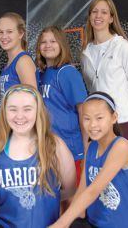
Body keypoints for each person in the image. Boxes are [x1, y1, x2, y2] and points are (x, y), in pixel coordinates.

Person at [0, 84, 76, 228]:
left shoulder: (54, 145)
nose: (20, 116)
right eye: (13, 109)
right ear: (4, 112)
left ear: (38, 111)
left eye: (27, 109)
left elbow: (69, 192)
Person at [49, 92, 128, 228]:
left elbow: (93, 191)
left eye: (99, 118)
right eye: (87, 119)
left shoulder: (121, 146)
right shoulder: (91, 146)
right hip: (95, 223)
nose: (92, 125)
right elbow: (83, 189)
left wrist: (61, 224)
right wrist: (67, 221)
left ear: (114, 117)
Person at [81, 0, 128, 153]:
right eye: (94, 12)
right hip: (99, 127)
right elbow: (93, 89)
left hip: (124, 124)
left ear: (111, 18)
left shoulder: (122, 47)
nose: (98, 16)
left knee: (122, 176)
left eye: (104, 12)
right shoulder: (85, 53)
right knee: (101, 175)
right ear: (89, 17)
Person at [36, 26, 88, 184]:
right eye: (43, 42)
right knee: (54, 201)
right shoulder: (40, 74)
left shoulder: (67, 72)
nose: (48, 45)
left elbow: (83, 111)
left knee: (72, 198)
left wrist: (86, 148)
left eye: (53, 41)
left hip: (70, 148)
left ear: (61, 45)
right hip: (47, 149)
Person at [0, 12, 39, 121]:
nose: (4, 36)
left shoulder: (23, 61)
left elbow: (32, 101)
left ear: (20, 34)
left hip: (18, 127)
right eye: (0, 32)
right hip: (4, 126)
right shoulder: (10, 62)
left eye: (9, 32)